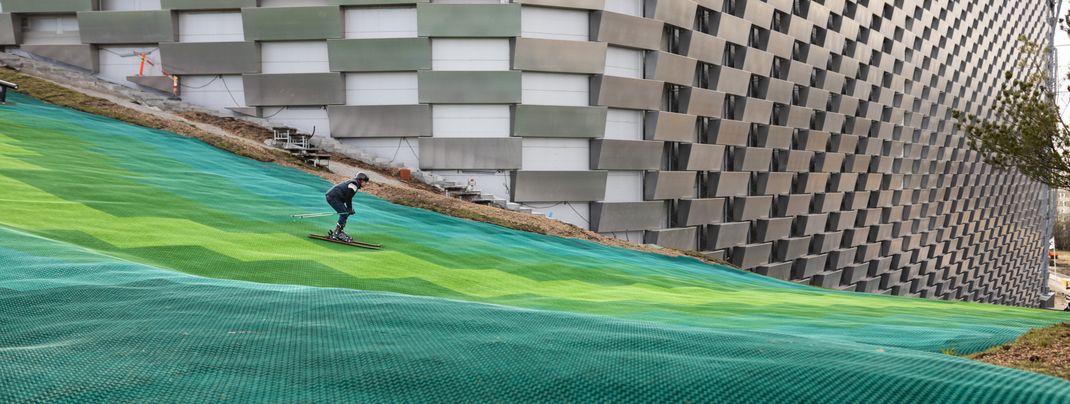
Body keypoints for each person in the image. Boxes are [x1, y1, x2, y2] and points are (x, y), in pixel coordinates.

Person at [325, 173, 370, 242]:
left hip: (334, 197)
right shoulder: (354, 185)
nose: (366, 184)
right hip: (333, 197)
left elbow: (347, 198)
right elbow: (348, 198)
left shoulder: (354, 183)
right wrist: (349, 208)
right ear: (361, 180)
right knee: (344, 213)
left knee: (345, 213)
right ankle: (336, 233)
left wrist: (349, 209)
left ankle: (338, 231)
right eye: (365, 182)